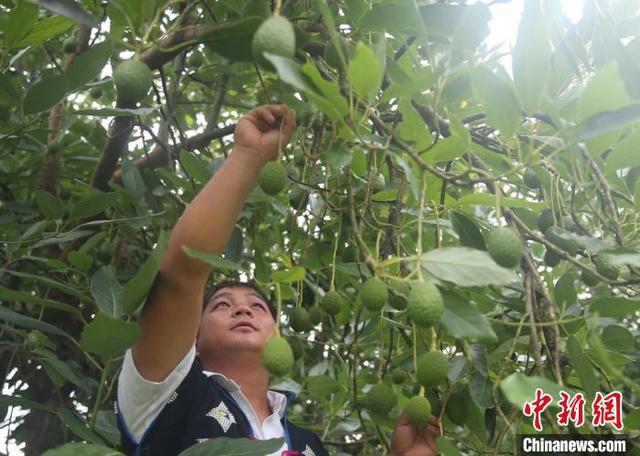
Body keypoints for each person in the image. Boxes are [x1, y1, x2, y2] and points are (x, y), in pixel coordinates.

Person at [115, 104, 441, 455]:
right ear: (192, 334)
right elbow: (182, 272)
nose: (242, 311)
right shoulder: (167, 395)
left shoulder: (308, 444)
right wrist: (249, 156)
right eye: (222, 305)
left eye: (257, 306)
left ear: (278, 333)